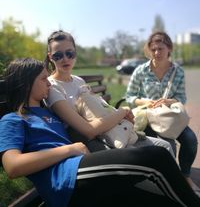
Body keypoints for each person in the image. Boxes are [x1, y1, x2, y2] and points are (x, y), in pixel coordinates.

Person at [0, 58, 200, 207]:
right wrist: (69, 150)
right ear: (25, 84)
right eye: (44, 79)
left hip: (82, 171)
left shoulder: (47, 111)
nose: (50, 83)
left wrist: (119, 118)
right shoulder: (13, 120)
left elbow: (82, 125)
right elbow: (12, 166)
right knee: (156, 157)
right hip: (64, 180)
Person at [44, 30, 174, 154]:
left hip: (111, 132)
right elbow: (88, 131)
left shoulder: (78, 81)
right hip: (94, 142)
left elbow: (100, 108)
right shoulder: (53, 88)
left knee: (165, 146)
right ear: (50, 57)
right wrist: (122, 112)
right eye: (58, 55)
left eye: (69, 53)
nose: (65, 59)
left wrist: (124, 118)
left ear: (75, 53)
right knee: (160, 152)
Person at [125, 31, 199, 193]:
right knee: (169, 145)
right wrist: (146, 101)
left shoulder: (177, 71)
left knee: (190, 139)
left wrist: (167, 101)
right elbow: (130, 97)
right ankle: (170, 181)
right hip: (148, 117)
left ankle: (184, 175)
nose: (157, 53)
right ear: (149, 50)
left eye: (161, 49)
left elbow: (181, 97)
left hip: (169, 117)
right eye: (153, 49)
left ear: (169, 49)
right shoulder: (141, 70)